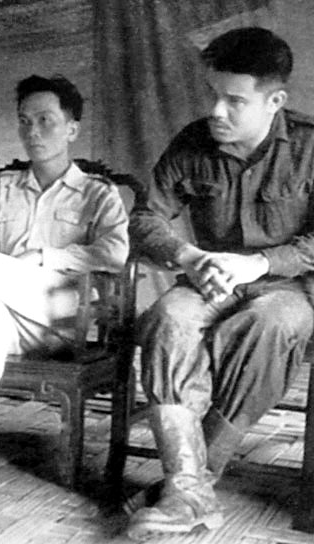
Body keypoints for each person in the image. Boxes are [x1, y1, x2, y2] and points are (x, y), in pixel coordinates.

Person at [127, 27, 314, 540]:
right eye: (213, 94)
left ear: (275, 101)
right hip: (207, 279)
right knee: (167, 317)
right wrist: (187, 255)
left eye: (235, 100)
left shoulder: (310, 147)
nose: (217, 111)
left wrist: (258, 265)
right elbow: (144, 218)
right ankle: (191, 491)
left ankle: (188, 484)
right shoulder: (193, 142)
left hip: (285, 286)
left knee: (272, 323)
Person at [0, 74, 129, 516]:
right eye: (24, 121)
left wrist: (46, 256)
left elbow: (114, 253)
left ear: (72, 129)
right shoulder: (0, 189)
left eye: (46, 120)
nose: (33, 131)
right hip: (4, 314)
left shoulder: (97, 193)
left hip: (60, 316)